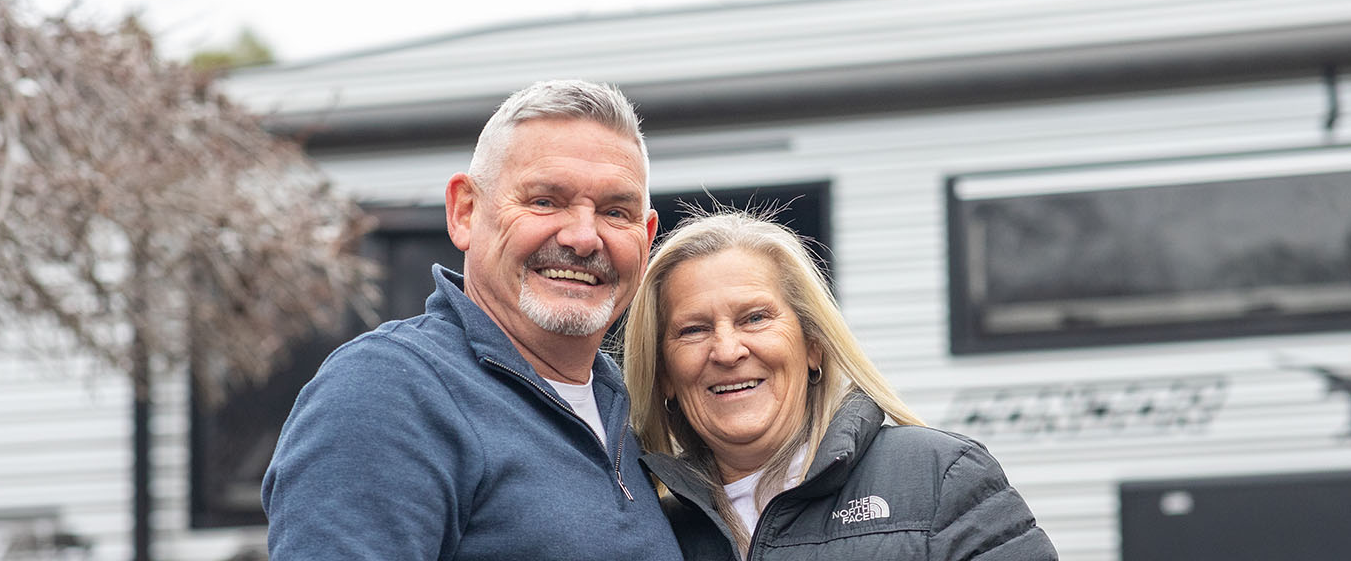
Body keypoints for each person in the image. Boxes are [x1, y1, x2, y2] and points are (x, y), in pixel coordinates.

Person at [261, 80, 682, 560]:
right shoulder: (390, 391)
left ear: (646, 236)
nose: (584, 237)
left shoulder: (632, 416)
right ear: (465, 212)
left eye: (616, 212)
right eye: (545, 201)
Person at [620, 211, 1055, 560]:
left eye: (754, 318)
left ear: (813, 346)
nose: (727, 350)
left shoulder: (939, 476)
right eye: (694, 330)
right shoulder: (651, 527)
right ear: (665, 375)